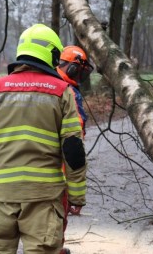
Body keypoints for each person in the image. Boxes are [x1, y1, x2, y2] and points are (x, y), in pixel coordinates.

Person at [0, 24, 87, 254]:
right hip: (44, 198)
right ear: (52, 55)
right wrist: (77, 195)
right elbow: (73, 149)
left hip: (2, 195)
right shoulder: (61, 92)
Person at [55, 45, 93, 254]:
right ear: (70, 67)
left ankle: (55, 246)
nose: (80, 76)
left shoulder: (56, 86)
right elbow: (74, 136)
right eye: (79, 70)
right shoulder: (66, 91)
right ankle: (55, 247)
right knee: (58, 211)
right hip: (60, 167)